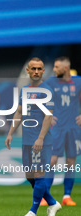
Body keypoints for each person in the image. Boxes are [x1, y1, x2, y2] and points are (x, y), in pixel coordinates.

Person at [5, 57, 61, 216]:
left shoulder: (47, 90)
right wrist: (10, 133)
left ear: (43, 71)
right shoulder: (25, 90)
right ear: (28, 71)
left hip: (40, 140)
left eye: (39, 69)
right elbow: (19, 112)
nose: (36, 71)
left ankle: (33, 212)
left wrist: (41, 138)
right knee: (29, 176)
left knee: (38, 174)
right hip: (27, 139)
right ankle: (52, 202)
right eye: (33, 69)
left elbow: (48, 116)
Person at [41, 57, 81, 206]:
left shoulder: (78, 82)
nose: (54, 69)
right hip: (57, 128)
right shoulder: (51, 82)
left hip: (74, 128)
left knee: (71, 162)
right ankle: (46, 196)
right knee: (52, 161)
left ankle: (67, 196)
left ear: (65, 69)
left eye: (57, 67)